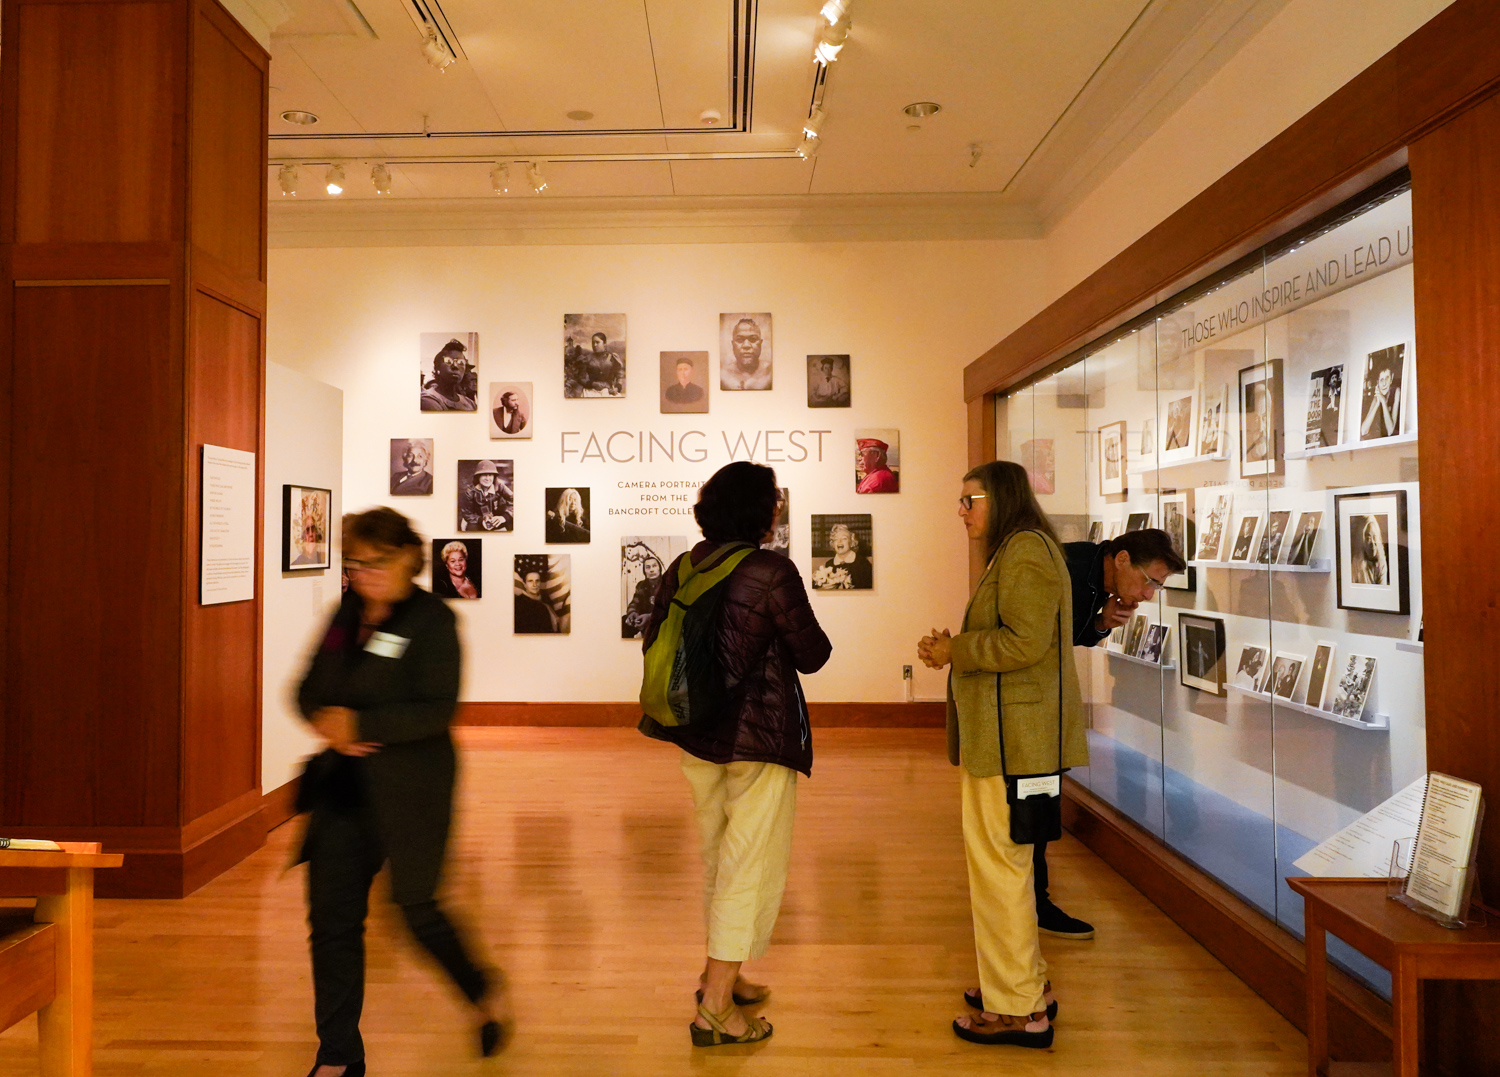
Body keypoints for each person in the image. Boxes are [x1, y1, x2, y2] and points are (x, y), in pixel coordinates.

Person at [295, 508, 510, 1077]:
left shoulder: (431, 620)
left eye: (376, 562)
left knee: (416, 909)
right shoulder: (345, 615)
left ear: (409, 559)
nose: (363, 574)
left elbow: (437, 709)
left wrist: (360, 727)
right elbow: (308, 686)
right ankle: (338, 1055)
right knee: (334, 921)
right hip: (344, 791)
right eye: (354, 563)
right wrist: (323, 718)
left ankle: (480, 988)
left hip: (413, 788)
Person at [638, 461, 831, 1047]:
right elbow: (812, 653)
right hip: (758, 741)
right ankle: (716, 1009)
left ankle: (720, 975)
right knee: (749, 867)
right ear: (763, 511)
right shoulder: (772, 571)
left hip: (697, 735)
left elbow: (653, 639)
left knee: (720, 859)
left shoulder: (684, 565)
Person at [917, 460, 1088, 1049]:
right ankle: (1025, 986)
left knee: (999, 871)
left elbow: (1024, 642)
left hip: (1015, 741)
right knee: (1007, 866)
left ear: (1003, 498)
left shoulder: (1025, 553)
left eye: (971, 500)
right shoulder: (1021, 550)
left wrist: (952, 649)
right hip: (1014, 738)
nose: (961, 512)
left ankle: (1017, 1010)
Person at [1054, 528, 1185, 938]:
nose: (1149, 595)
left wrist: (1100, 623)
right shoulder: (1066, 568)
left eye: (1157, 587)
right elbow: (1039, 639)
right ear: (1123, 559)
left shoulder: (1098, 576)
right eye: (1150, 581)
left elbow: (1069, 635)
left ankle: (1033, 900)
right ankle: (1031, 904)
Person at [811, 522, 872, 589]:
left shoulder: (863, 564)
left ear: (852, 543)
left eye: (844, 538)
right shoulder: (829, 564)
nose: (839, 541)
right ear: (833, 544)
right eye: (836, 539)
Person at [420, 339, 476, 411]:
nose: (455, 366)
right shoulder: (428, 400)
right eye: (448, 361)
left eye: (461, 362)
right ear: (437, 368)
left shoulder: (470, 403)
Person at [621, 550, 664, 638]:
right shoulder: (642, 585)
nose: (651, 570)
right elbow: (634, 603)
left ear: (659, 568)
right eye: (648, 567)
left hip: (660, 618)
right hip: (642, 619)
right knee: (623, 621)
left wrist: (650, 617)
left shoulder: (667, 584)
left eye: (654, 566)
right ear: (644, 572)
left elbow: (668, 608)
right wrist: (632, 613)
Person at [459, 461, 512, 532]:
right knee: (471, 529)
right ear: (478, 477)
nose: (487, 478)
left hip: (499, 518)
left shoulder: (500, 486)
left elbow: (515, 501)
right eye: (484, 475)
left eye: (490, 475)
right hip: (478, 520)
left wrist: (505, 517)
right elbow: (467, 513)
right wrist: (481, 520)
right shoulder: (470, 492)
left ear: (494, 477)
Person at [721, 318, 771, 390]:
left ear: (760, 343)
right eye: (740, 340)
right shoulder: (723, 375)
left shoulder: (770, 373)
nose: (746, 345)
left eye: (753, 339)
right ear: (733, 345)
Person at [514, 568, 558, 632]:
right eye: (530, 581)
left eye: (537, 581)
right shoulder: (517, 603)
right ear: (524, 584)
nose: (534, 585)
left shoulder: (546, 601)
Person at [1361, 365, 1399, 439]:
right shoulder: (1377, 396)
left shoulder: (1396, 391)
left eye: (1387, 378)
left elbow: (1390, 431)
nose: (1384, 383)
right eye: (1381, 380)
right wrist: (1377, 403)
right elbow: (1363, 430)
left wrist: (1383, 402)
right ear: (1377, 382)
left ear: (1391, 378)